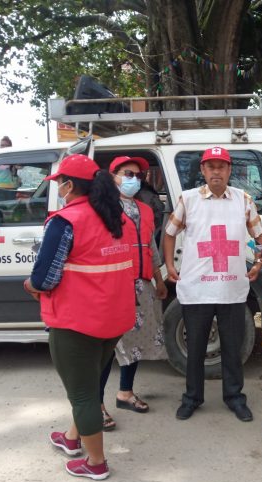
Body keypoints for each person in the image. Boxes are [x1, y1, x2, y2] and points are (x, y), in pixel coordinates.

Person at [23, 154, 136, 480]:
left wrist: (29, 285)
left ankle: (96, 463)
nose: (58, 188)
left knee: (83, 393)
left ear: (70, 185)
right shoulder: (119, 218)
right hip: (113, 319)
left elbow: (44, 279)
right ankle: (72, 440)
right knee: (86, 384)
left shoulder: (67, 221)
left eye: (59, 182)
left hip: (77, 321)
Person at [164, 146, 262, 422]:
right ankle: (192, 398)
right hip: (197, 288)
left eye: (221, 166)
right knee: (195, 348)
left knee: (232, 348)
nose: (216, 171)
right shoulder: (188, 200)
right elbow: (169, 233)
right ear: (202, 170)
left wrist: (258, 263)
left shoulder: (243, 200)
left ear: (230, 170)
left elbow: (260, 237)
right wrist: (170, 265)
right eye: (210, 166)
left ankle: (234, 397)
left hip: (232, 289)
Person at [98, 156, 168, 431]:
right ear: (112, 175)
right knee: (106, 348)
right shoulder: (102, 207)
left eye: (139, 176)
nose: (134, 180)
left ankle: (125, 393)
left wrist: (159, 280)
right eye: (128, 174)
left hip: (142, 284)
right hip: (113, 285)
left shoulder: (145, 209)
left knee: (136, 341)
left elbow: (149, 245)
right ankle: (96, 403)